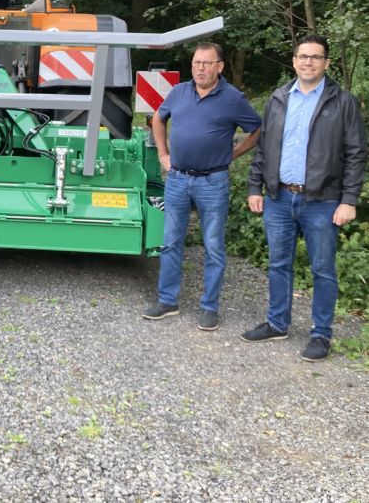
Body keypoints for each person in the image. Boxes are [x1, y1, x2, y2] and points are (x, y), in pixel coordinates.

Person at [242, 34, 367, 361]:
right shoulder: (278, 98)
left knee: (323, 269)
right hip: (279, 198)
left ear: (326, 62)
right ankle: (277, 323)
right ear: (294, 61)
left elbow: (356, 154)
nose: (308, 62)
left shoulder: (343, 102)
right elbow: (264, 147)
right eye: (302, 56)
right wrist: (256, 187)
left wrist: (349, 200)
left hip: (323, 201)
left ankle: (321, 335)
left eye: (315, 57)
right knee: (278, 264)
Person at [142, 42, 262, 330]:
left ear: (220, 67)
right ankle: (167, 300)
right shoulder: (179, 92)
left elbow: (257, 129)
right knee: (170, 242)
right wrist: (162, 153)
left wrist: (232, 154)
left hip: (212, 181)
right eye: (197, 63)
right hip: (178, 179)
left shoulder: (232, 98)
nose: (200, 68)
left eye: (207, 63)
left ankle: (210, 307)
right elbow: (157, 119)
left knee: (213, 246)